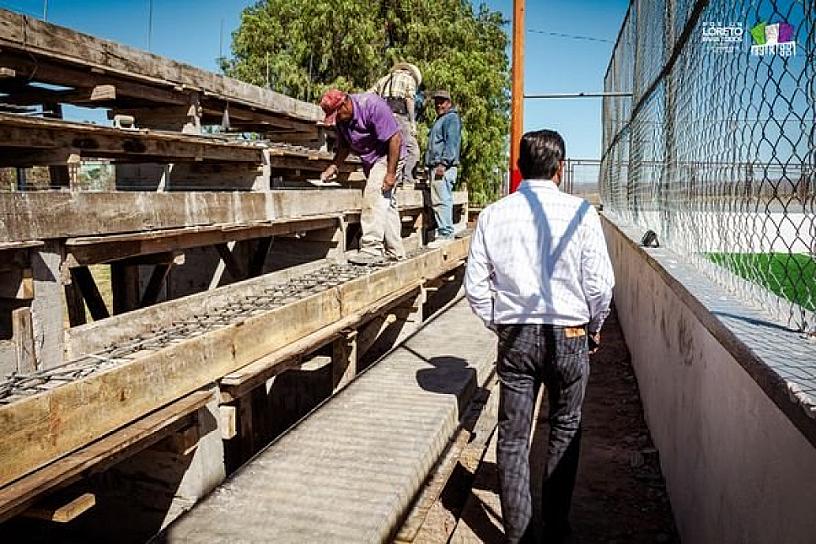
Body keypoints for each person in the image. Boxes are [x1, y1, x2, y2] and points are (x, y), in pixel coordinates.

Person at [464, 129, 614, 543]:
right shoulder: (583, 214)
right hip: (569, 333)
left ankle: (518, 536)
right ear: (560, 169)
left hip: (516, 336)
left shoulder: (494, 214)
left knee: (513, 437)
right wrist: (594, 329)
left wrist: (501, 321)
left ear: (519, 167)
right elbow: (600, 286)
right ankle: (556, 528)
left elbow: (475, 286)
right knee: (565, 428)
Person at [319, 89, 406, 265]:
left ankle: (371, 249)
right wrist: (334, 166)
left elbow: (395, 139)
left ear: (345, 103)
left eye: (338, 114)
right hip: (371, 161)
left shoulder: (372, 106)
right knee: (386, 204)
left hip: (389, 156)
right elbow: (344, 146)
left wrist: (390, 173)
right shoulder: (342, 119)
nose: (337, 118)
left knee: (373, 196)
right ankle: (395, 252)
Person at [369, 62, 422, 184]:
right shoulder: (408, 79)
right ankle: (407, 180)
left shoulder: (385, 79)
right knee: (412, 149)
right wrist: (412, 121)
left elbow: (370, 94)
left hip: (383, 115)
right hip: (399, 115)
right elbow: (409, 99)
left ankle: (388, 177)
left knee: (389, 148)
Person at [425, 90, 462, 247]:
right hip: (437, 166)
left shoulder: (451, 118)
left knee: (442, 200)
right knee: (439, 199)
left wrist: (443, 163)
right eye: (437, 102)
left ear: (449, 103)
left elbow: (451, 142)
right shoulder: (440, 120)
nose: (439, 105)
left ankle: (445, 234)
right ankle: (444, 232)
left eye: (442, 102)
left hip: (443, 167)